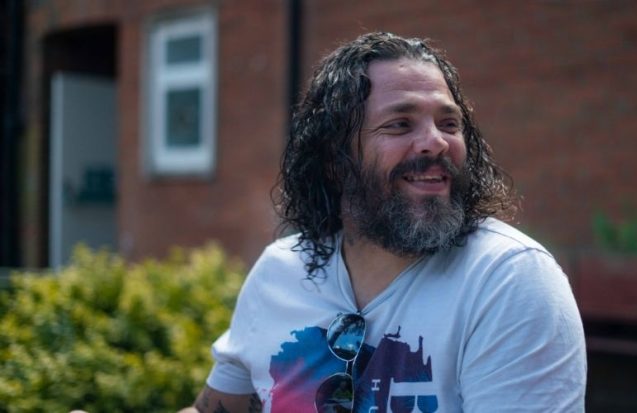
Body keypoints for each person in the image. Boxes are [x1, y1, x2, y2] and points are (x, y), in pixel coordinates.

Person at [188, 32, 587, 412]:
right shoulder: (281, 270)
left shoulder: (506, 280)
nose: (436, 141)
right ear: (334, 158)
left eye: (450, 124)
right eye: (400, 124)